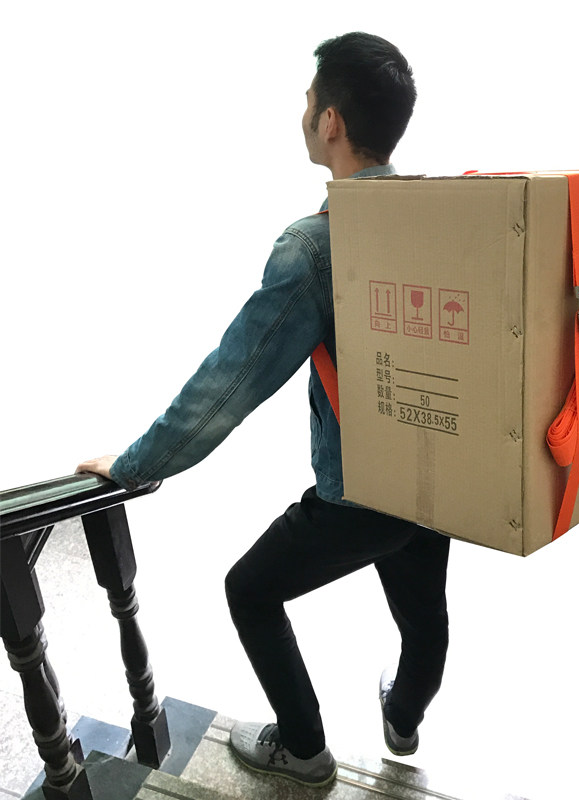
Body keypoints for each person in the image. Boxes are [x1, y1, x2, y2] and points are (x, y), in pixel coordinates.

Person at [76, 32, 450, 789]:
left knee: (249, 590)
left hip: (360, 492)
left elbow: (229, 383)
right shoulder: (441, 219)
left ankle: (304, 749)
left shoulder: (313, 250)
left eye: (309, 100)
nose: (303, 112)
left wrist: (137, 464)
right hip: (436, 476)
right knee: (423, 615)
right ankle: (403, 718)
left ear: (332, 121)